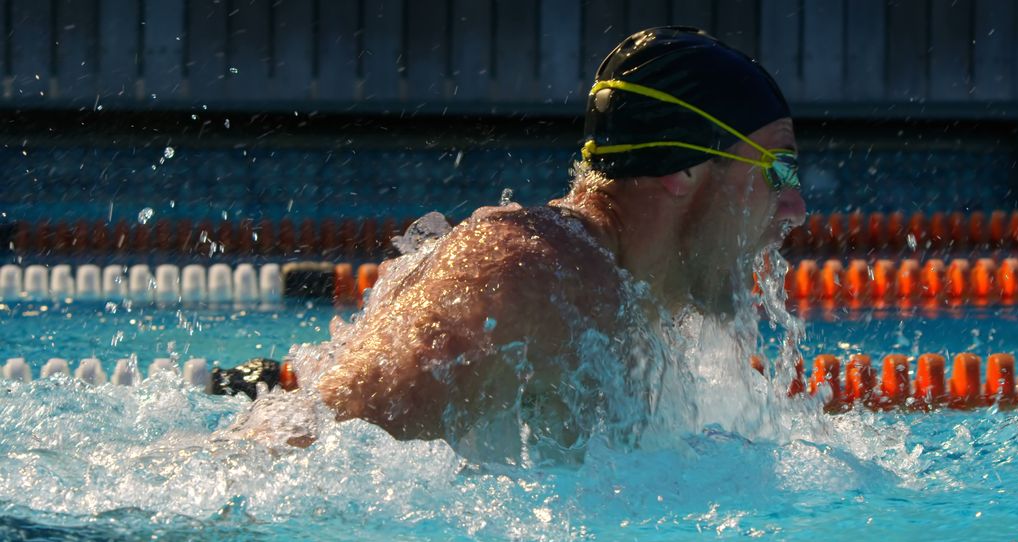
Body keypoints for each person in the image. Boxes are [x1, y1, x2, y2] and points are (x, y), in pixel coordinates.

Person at [230, 26, 806, 464]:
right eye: (777, 168)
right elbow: (304, 458)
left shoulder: (621, 293)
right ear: (683, 168)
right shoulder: (525, 274)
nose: (796, 207)